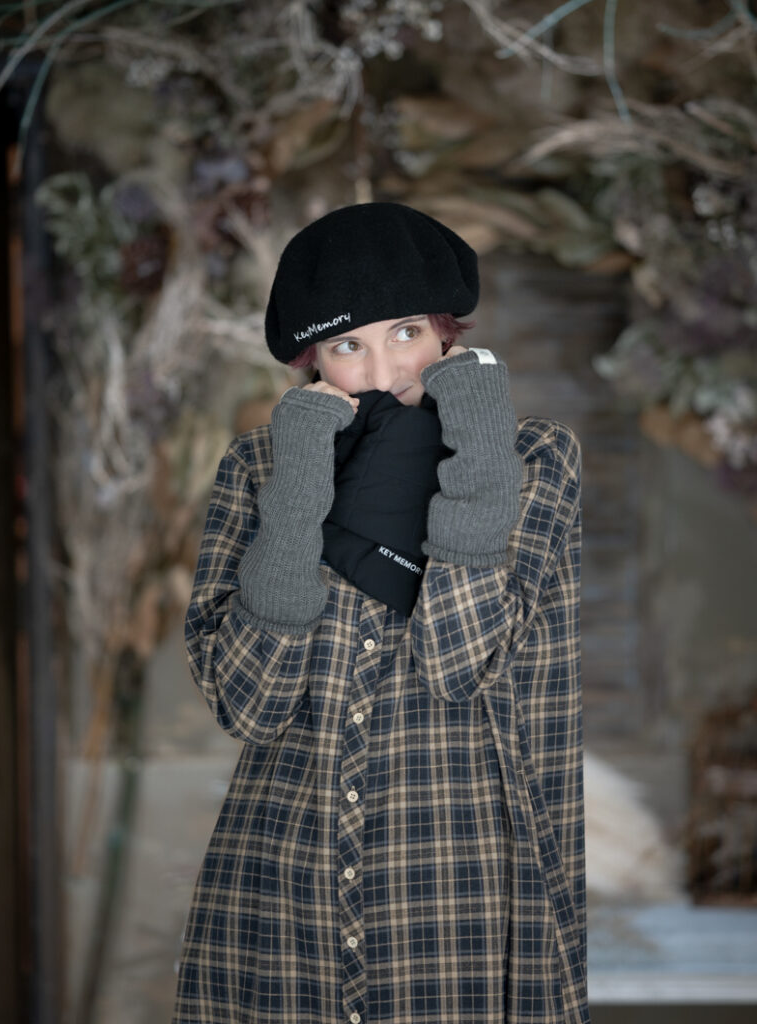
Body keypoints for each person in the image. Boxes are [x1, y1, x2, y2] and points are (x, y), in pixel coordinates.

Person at [173, 203, 588, 1024]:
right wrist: (298, 492)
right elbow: (250, 706)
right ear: (312, 360)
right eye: (347, 345)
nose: (384, 368)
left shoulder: (534, 459)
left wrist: (475, 451)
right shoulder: (259, 465)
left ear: (446, 333)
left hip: (460, 890)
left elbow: (460, 660)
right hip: (280, 896)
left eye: (405, 332)